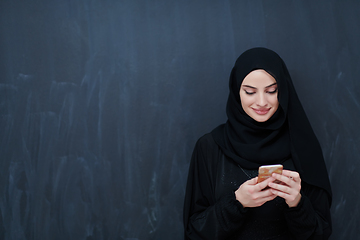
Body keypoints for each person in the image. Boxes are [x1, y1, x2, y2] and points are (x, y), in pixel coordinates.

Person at [183, 47, 332, 240]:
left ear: (283, 91)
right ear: (237, 92)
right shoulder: (210, 147)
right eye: (250, 92)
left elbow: (321, 234)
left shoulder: (304, 146)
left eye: (271, 91)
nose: (262, 102)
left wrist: (297, 203)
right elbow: (194, 232)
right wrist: (237, 203)